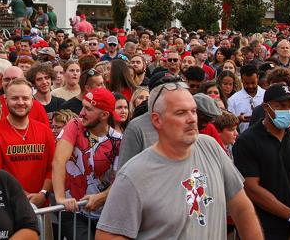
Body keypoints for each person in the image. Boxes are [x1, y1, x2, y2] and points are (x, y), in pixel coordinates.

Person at [96, 82, 262, 240]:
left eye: (194, 111)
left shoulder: (211, 147)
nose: (191, 119)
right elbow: (108, 235)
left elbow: (242, 209)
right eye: (180, 113)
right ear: (156, 120)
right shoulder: (133, 174)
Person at [233, 83, 290, 239]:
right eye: (281, 105)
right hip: (258, 227)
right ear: (265, 107)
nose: (287, 111)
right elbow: (251, 188)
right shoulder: (247, 141)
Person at [53, 87, 122, 239]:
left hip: (105, 213)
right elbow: (59, 160)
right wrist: (60, 198)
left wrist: (103, 196)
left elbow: (121, 178)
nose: (82, 112)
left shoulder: (118, 140)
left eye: (88, 109)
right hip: (73, 209)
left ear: (104, 115)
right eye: (83, 106)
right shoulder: (75, 125)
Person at [0, 78, 55, 208]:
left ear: (32, 100)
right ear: (5, 101)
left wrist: (43, 193)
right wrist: (22, 196)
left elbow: (52, 167)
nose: (20, 102)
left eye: (25, 98)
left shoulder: (44, 130)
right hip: (9, 207)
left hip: (42, 206)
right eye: (15, 98)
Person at [227, 63, 264, 132]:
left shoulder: (266, 95)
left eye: (253, 83)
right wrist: (238, 120)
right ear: (241, 79)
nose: (250, 86)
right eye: (246, 83)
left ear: (258, 77)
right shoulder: (233, 100)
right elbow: (228, 125)